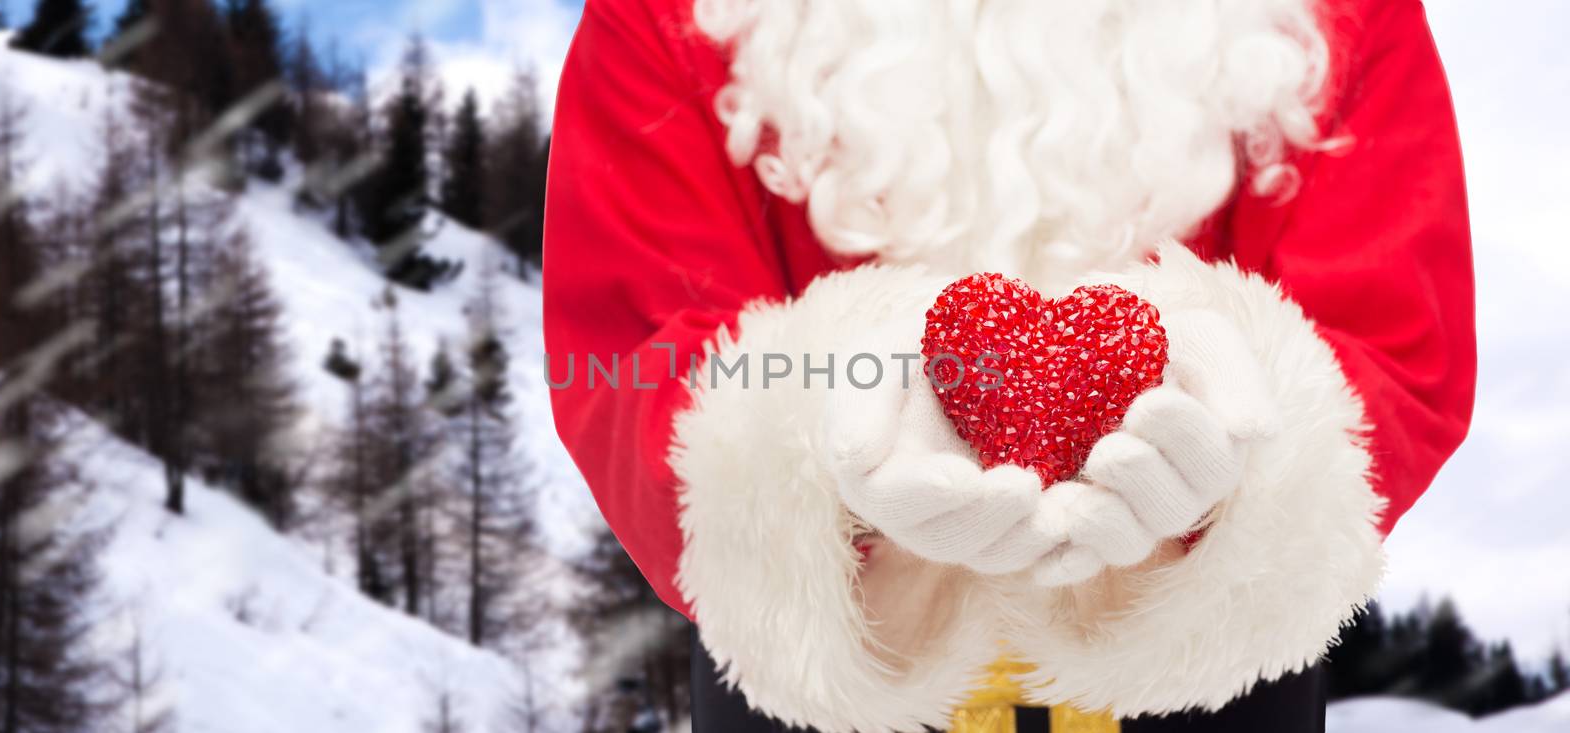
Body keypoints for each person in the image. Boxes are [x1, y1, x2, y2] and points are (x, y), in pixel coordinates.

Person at [543, 0, 1476, 730]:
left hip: (1212, 688)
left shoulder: (1350, 15)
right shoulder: (659, 15)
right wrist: (821, 452)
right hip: (825, 687)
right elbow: (631, 347)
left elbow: (1395, 339)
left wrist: (1237, 453)